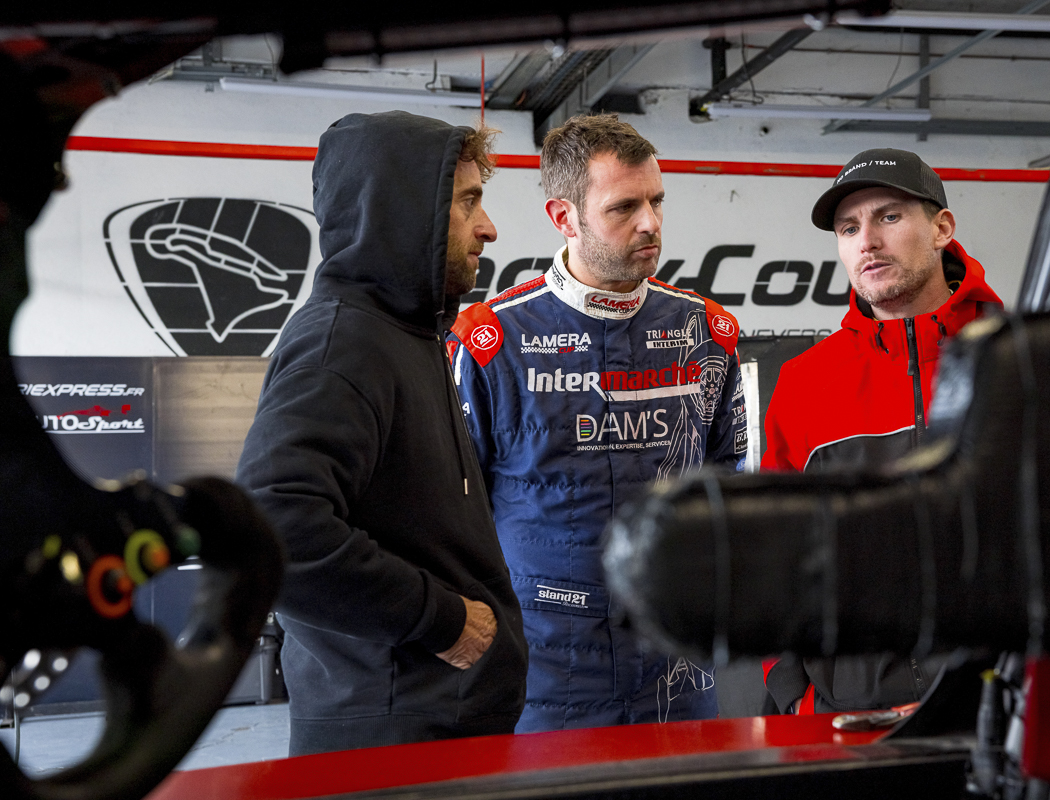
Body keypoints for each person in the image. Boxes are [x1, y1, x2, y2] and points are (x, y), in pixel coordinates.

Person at [236, 111, 527, 756]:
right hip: (389, 740)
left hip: (425, 727)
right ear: (405, 211)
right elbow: (271, 525)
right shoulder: (343, 343)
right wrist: (440, 618)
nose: (489, 227)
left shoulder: (404, 336)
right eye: (468, 201)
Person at [447, 114, 748, 732]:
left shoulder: (707, 334)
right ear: (565, 218)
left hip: (676, 670)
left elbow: (729, 489)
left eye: (657, 201)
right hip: (541, 673)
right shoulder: (490, 343)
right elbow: (455, 517)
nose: (651, 223)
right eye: (624, 207)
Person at [760, 148, 1004, 715]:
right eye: (849, 227)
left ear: (942, 227)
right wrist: (793, 693)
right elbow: (776, 556)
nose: (866, 241)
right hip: (849, 711)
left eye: (888, 217)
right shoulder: (805, 383)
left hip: (996, 704)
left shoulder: (1020, 359)